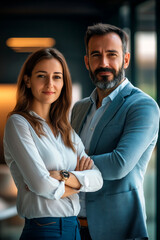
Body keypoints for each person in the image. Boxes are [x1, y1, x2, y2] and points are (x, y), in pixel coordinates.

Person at [71, 23, 160, 240]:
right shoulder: (79, 108)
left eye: (112, 54)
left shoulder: (143, 106)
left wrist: (68, 168)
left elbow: (119, 164)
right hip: (72, 226)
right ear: (87, 62)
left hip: (118, 231)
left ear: (126, 60)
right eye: (96, 55)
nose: (103, 63)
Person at [3, 47, 103, 240]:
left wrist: (63, 176)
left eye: (57, 77)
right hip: (44, 230)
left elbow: (98, 179)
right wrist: (79, 183)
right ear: (27, 80)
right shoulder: (18, 123)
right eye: (42, 76)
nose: (50, 83)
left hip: (74, 229)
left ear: (63, 83)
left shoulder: (66, 130)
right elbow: (42, 186)